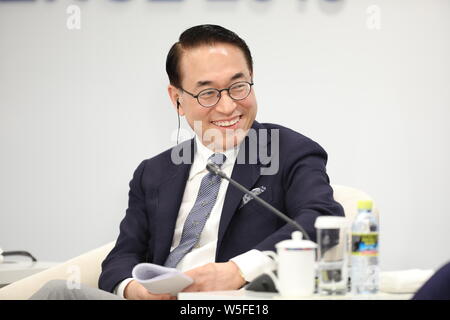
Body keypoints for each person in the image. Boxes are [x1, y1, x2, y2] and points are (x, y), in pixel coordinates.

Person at [30, 24, 344, 300]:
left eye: (238, 86)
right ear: (176, 98)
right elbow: (122, 256)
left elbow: (321, 219)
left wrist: (238, 270)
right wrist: (131, 289)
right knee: (61, 292)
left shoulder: (289, 151)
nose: (227, 106)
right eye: (207, 93)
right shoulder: (153, 173)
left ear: (252, 80)